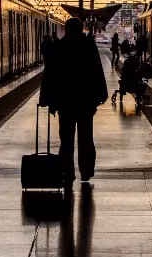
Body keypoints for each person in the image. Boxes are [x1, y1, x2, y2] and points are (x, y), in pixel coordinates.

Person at [43, 18, 108, 188]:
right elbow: (96, 70)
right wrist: (101, 95)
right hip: (86, 101)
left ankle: (67, 173)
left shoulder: (61, 46)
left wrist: (49, 101)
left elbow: (51, 74)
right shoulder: (88, 45)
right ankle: (86, 171)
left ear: (67, 29)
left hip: (65, 101)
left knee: (66, 139)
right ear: (81, 29)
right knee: (86, 137)